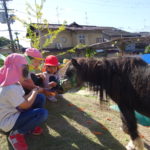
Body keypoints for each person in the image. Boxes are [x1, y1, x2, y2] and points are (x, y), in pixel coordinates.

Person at [0, 53, 48, 150]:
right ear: (16, 69)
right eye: (25, 69)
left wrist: (35, 92)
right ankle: (16, 133)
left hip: (16, 112)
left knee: (40, 98)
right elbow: (25, 105)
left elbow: (22, 99)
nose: (27, 72)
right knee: (42, 113)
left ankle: (29, 125)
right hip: (8, 122)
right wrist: (34, 91)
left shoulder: (14, 82)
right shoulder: (9, 87)